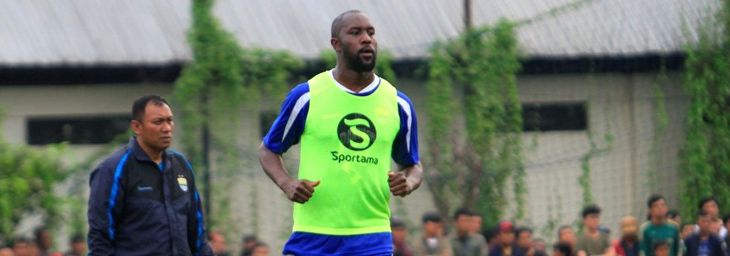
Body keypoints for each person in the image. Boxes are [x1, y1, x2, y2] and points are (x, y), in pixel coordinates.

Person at [258, 9, 422, 255]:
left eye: (370, 33)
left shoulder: (398, 104)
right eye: (355, 33)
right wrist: (287, 183)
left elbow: (413, 165)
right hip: (313, 235)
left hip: (372, 237)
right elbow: (268, 150)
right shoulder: (307, 96)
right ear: (336, 44)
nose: (366, 39)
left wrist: (408, 181)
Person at [87, 95, 213, 255]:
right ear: (137, 127)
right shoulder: (115, 169)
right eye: (158, 122)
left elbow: (197, 232)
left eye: (170, 120)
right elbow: (100, 237)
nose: (167, 128)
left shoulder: (181, 165)